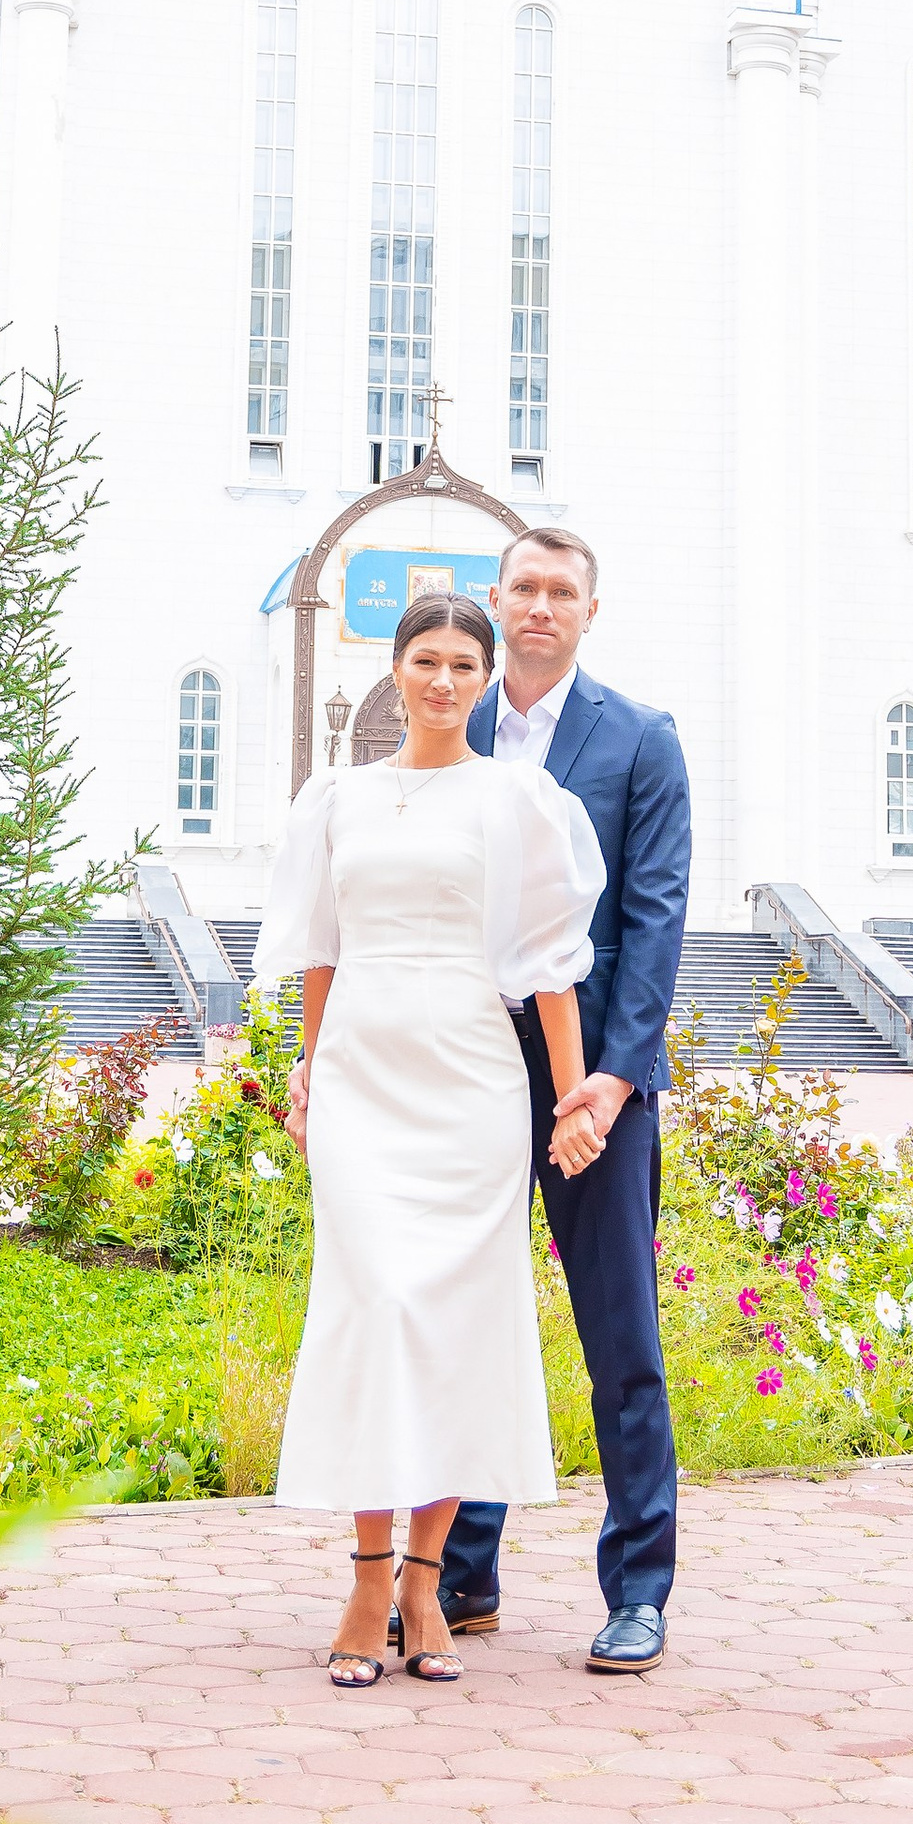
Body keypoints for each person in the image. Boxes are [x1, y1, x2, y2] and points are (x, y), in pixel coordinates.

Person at [257, 591, 606, 1688]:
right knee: (375, 1308)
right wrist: (309, 1067)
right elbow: (319, 944)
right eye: (426, 660)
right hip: (364, 1076)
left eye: (464, 663)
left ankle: (424, 1577)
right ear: (395, 669)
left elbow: (549, 966)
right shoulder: (337, 797)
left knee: (455, 1320)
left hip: (469, 1084)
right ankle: (365, 1581)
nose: (444, 680)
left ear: (485, 676)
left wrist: (569, 1098)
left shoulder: (518, 800)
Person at [438, 528, 691, 1673]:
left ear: (591, 609)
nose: (539, 608)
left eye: (561, 593)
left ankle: (638, 1589)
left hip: (597, 1088)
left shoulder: (638, 739)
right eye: (523, 590)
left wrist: (612, 1077)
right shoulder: (455, 722)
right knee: (465, 1326)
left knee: (619, 1340)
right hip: (468, 1077)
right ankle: (463, 1573)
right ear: (496, 603)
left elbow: (655, 918)